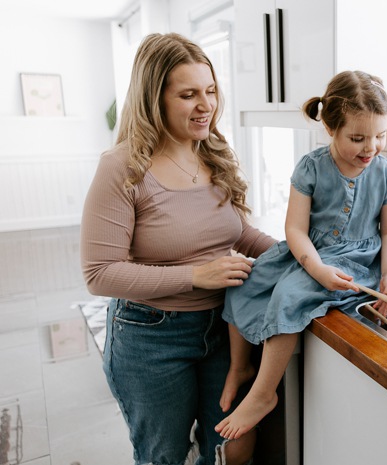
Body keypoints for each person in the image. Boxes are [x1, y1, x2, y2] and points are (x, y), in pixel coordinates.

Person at [80, 32, 276, 465]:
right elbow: (99, 274)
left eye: (210, 91)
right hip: (150, 337)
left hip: (224, 328)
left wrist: (303, 257)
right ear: (156, 99)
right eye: (188, 94)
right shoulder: (122, 167)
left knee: (223, 449)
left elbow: (239, 234)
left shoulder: (211, 154)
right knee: (164, 457)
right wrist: (194, 276)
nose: (206, 105)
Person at [215, 70, 387, 440]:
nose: (370, 148)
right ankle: (240, 368)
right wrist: (315, 268)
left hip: (355, 262)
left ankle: (264, 394)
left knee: (289, 297)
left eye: (380, 136)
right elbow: (295, 230)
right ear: (330, 128)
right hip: (309, 255)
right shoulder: (311, 167)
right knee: (242, 283)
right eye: (357, 138)